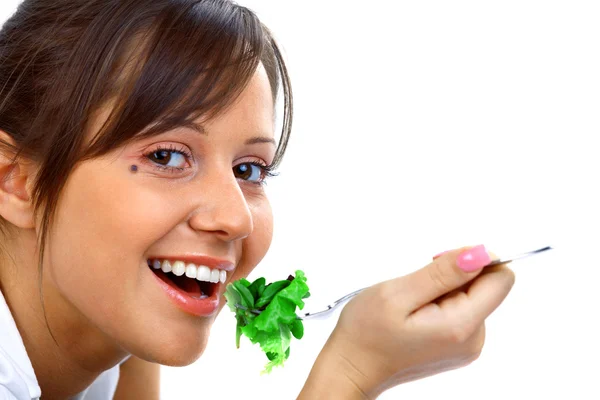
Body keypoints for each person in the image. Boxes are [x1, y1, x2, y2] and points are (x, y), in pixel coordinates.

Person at [0, 0, 515, 399]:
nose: (235, 218)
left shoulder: (106, 315)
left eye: (249, 170)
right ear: (13, 179)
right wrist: (352, 374)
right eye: (166, 157)